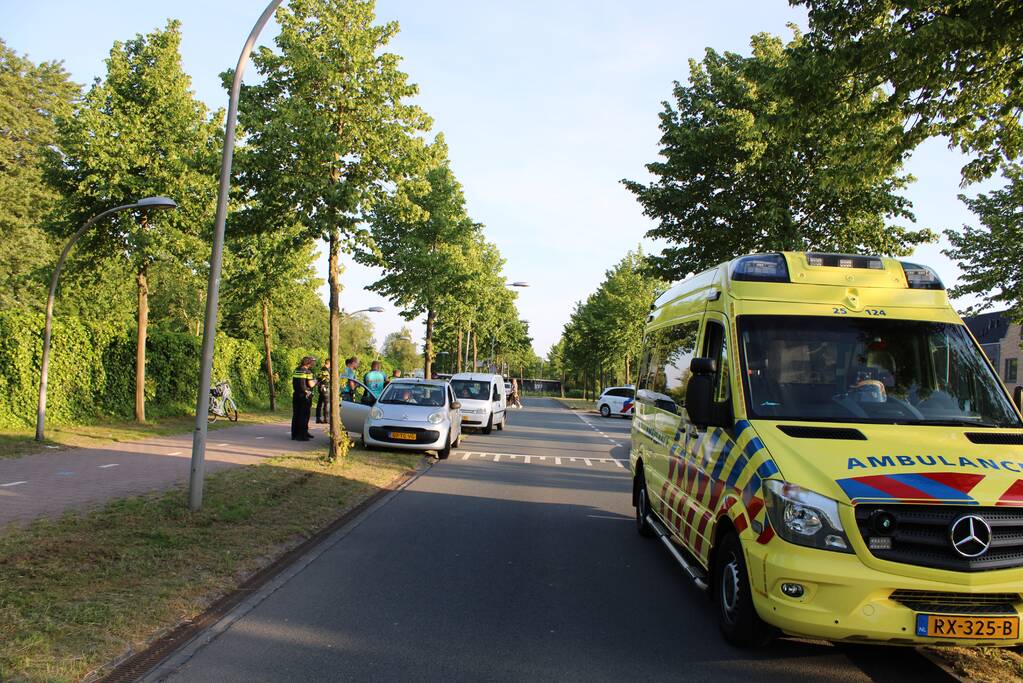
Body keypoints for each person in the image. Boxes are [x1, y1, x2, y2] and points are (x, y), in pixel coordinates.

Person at [291, 356, 317, 440]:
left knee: (296, 414)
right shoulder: (308, 372)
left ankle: (294, 434)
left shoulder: (296, 370)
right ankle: (302, 435)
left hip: (296, 394)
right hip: (305, 395)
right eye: (312, 362)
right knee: (304, 415)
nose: (313, 364)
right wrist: (316, 381)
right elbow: (311, 384)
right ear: (309, 363)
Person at [316, 359, 331, 424]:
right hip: (325, 388)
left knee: (320, 403)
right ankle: (326, 418)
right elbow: (326, 380)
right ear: (329, 363)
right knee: (326, 403)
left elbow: (318, 378)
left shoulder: (321, 369)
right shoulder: (325, 370)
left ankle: (318, 418)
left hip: (321, 387)